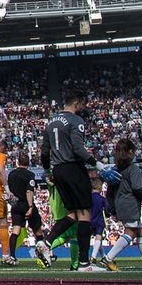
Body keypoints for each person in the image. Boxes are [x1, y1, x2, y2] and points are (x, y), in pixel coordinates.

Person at [38, 89, 102, 272]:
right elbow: (77, 149)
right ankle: (84, 263)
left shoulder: (50, 122)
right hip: (73, 168)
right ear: (77, 103)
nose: (85, 107)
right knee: (85, 213)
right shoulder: (76, 121)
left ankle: (47, 242)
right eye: (84, 104)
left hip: (57, 170)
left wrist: (46, 170)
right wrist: (97, 164)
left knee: (75, 213)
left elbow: (44, 151)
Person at [100, 138, 142, 272]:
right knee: (131, 232)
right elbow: (137, 188)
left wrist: (113, 208)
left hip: (120, 203)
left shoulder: (114, 170)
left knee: (141, 232)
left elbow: (110, 192)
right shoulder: (134, 169)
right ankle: (108, 258)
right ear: (131, 152)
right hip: (131, 203)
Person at [6, 152, 44, 265]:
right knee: (37, 230)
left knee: (15, 231)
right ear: (28, 163)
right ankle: (42, 255)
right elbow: (29, 191)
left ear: (18, 162)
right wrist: (31, 206)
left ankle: (12, 256)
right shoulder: (30, 175)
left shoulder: (11, 174)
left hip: (16, 205)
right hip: (26, 204)